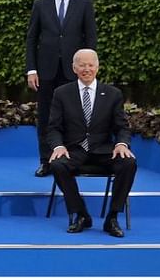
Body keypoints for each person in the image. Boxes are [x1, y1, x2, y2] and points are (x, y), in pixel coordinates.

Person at [47, 49, 135, 237]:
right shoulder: (61, 93)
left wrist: (121, 144)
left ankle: (112, 218)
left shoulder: (113, 94)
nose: (86, 69)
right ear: (74, 68)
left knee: (128, 162)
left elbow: (122, 127)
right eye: (82, 65)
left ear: (97, 67)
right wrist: (59, 146)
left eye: (90, 65)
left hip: (104, 150)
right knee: (57, 165)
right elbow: (53, 127)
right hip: (75, 149)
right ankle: (81, 214)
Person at [26, 0, 96, 177]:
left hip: (73, 71)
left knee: (74, 117)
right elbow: (31, 39)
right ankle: (46, 162)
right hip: (46, 72)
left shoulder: (84, 3)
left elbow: (90, 38)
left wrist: (88, 69)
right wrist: (31, 70)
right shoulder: (40, 4)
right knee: (46, 117)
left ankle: (71, 162)